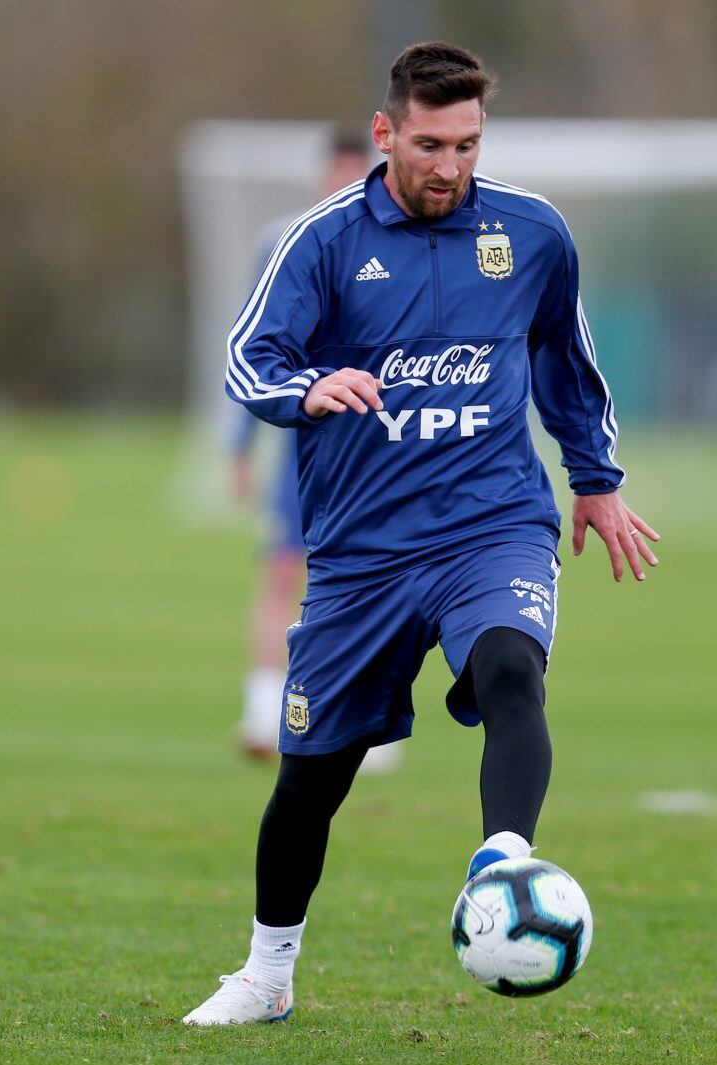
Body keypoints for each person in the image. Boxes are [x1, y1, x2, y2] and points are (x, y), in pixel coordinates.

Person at [184, 41, 659, 1026]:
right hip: (361, 555)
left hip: (493, 526)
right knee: (309, 785)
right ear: (386, 132)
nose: (451, 166)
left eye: (469, 145)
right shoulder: (320, 241)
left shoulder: (532, 234)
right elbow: (248, 360)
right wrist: (308, 386)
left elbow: (567, 363)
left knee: (511, 669)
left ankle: (504, 864)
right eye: (433, 143)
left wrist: (597, 483)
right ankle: (268, 974)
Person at [233, 125, 402, 774]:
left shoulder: (401, 242)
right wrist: (241, 444)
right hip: (306, 446)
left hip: (382, 450)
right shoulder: (283, 243)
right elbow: (255, 349)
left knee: (380, 583)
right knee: (282, 570)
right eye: (334, 171)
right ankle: (260, 707)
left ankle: (378, 727)